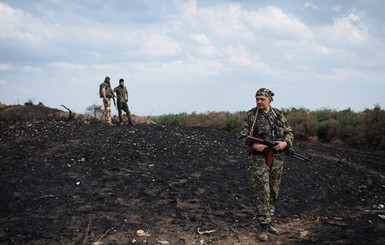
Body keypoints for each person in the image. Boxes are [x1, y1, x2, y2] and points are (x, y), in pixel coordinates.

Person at [239, 88, 294, 242]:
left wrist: (285, 143)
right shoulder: (251, 115)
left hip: (277, 158)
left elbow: (289, 132)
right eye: (257, 99)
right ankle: (263, 224)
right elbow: (242, 136)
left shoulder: (278, 114)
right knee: (263, 189)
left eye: (262, 99)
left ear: (269, 99)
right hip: (259, 159)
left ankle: (269, 221)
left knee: (273, 191)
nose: (259, 102)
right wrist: (253, 146)